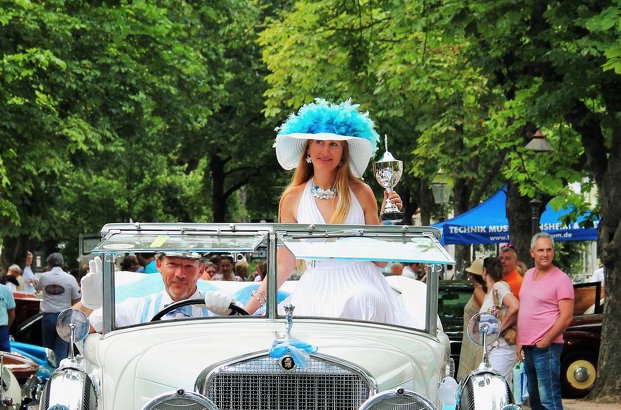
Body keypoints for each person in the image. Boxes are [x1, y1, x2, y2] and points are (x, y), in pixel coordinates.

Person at [244, 98, 412, 326]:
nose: (325, 150)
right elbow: (284, 264)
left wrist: (388, 220)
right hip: (314, 287)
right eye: (319, 142)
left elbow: (381, 263)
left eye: (334, 144)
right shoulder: (292, 198)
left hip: (362, 284)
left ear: (343, 152)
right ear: (308, 149)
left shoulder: (362, 192)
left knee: (361, 300)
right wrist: (248, 308)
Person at [517, 233, 574, 410]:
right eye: (540, 250)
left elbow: (567, 316)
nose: (545, 254)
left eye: (548, 250)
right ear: (532, 253)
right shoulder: (529, 275)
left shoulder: (561, 279)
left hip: (547, 347)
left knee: (549, 396)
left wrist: (548, 339)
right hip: (529, 345)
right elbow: (524, 309)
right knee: (535, 397)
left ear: (553, 252)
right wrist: (519, 341)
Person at [82, 251, 236, 331]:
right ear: (158, 264)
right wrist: (90, 305)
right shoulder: (136, 308)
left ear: (201, 269)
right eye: (172, 264)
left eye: (188, 266)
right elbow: (79, 330)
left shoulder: (220, 308)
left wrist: (233, 319)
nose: (180, 274)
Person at [479, 255, 519, 384]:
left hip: (502, 348)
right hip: (493, 349)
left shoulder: (498, 287)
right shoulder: (491, 291)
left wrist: (500, 329)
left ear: (484, 271)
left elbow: (515, 305)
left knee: (496, 386)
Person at [38, 252, 81, 363]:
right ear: (62, 264)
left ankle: (48, 374)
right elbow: (77, 300)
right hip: (64, 317)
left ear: (49, 264)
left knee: (47, 351)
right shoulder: (70, 279)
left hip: (48, 316)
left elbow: (38, 289)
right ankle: (59, 374)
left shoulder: (43, 277)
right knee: (61, 351)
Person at [457, 258, 487, 379]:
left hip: (475, 340)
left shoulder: (478, 291)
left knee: (472, 374)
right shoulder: (482, 290)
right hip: (474, 338)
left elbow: (486, 313)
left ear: (472, 275)